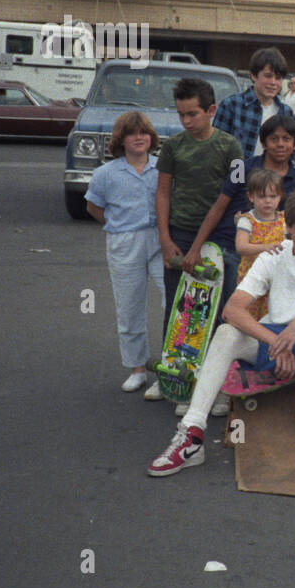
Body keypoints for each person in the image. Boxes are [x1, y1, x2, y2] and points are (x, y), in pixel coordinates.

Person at [147, 190, 295, 475]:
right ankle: (192, 433)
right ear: (289, 227)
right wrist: (276, 341)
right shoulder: (272, 256)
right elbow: (233, 309)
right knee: (226, 333)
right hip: (275, 341)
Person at [183, 114, 295, 303]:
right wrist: (195, 249)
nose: (280, 144)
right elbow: (218, 206)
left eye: (286, 139)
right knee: (222, 309)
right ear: (264, 143)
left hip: (267, 257)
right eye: (274, 139)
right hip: (228, 250)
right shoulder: (241, 168)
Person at [85, 111, 165, 393]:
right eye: (132, 134)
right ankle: (137, 368)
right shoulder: (106, 174)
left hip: (159, 240)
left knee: (173, 301)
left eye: (144, 133)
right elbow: (93, 208)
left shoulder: (162, 168)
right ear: (122, 139)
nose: (139, 138)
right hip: (124, 243)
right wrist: (118, 226)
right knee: (130, 308)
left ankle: (172, 364)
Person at [156, 78, 244, 323]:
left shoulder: (232, 147)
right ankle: (173, 361)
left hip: (219, 237)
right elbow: (163, 192)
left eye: (192, 114)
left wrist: (197, 248)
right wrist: (165, 239)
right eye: (181, 114)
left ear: (211, 111)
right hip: (179, 234)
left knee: (214, 310)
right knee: (178, 307)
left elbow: (233, 194)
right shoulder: (172, 147)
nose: (186, 121)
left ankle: (214, 362)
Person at [213, 46, 294, 160]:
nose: (273, 83)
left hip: (273, 176)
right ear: (253, 76)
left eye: (278, 78)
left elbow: (289, 154)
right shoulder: (231, 105)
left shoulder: (286, 112)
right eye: (268, 76)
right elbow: (216, 150)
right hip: (239, 175)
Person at [234, 168, 287, 320]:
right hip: (251, 279)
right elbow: (241, 247)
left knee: (271, 319)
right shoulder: (247, 220)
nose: (268, 201)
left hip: (276, 281)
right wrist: (266, 247)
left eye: (273, 196)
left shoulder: (284, 219)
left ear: (280, 196)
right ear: (251, 197)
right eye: (262, 197)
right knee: (248, 318)